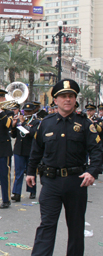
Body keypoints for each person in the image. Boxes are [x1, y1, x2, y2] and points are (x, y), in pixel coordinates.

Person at [26, 79, 102, 256]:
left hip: (76, 183)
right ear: (55, 100)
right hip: (51, 182)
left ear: (75, 100)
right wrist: (30, 171)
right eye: (63, 97)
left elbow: (97, 151)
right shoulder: (46, 123)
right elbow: (36, 150)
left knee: (76, 227)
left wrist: (92, 172)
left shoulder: (85, 124)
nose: (67, 100)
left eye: (70, 96)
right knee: (47, 225)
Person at [11, 102, 40, 202]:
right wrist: (14, 126)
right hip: (19, 149)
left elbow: (32, 133)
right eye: (25, 111)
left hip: (30, 150)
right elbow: (14, 135)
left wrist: (23, 123)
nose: (26, 113)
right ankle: (16, 193)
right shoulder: (19, 120)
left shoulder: (36, 122)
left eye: (29, 111)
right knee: (18, 172)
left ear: (33, 112)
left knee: (30, 171)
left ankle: (32, 190)